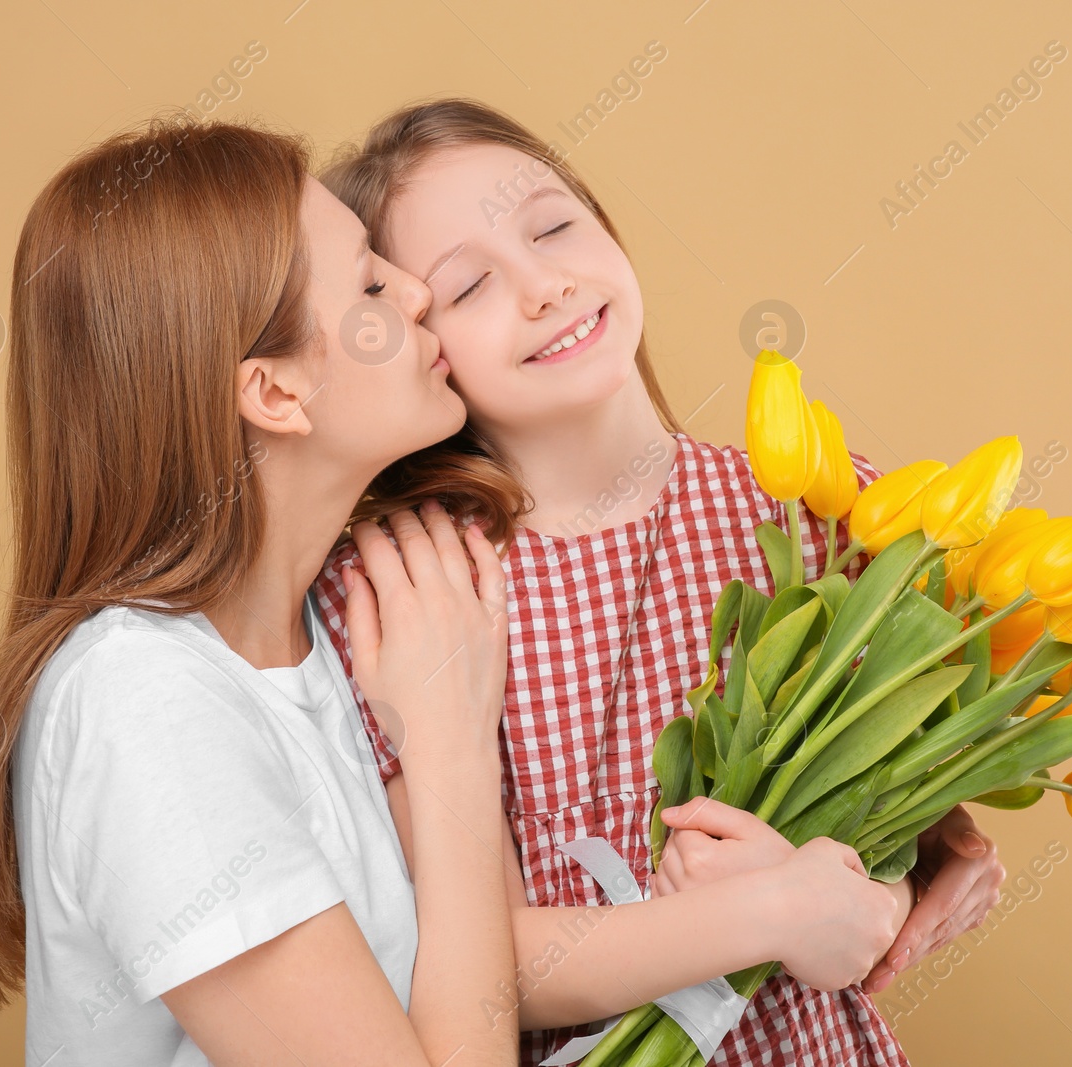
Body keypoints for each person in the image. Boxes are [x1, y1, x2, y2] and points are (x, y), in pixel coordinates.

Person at [312, 99, 1007, 1066]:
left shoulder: (818, 505)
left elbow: (898, 836)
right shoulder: (417, 583)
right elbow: (474, 957)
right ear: (425, 347)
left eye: (554, 226)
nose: (545, 285)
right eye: (468, 288)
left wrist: (874, 894)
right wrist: (766, 913)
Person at [0, 116, 523, 1066]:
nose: (419, 292)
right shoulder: (139, 704)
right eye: (372, 282)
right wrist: (454, 751)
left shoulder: (331, 641)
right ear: (276, 394)